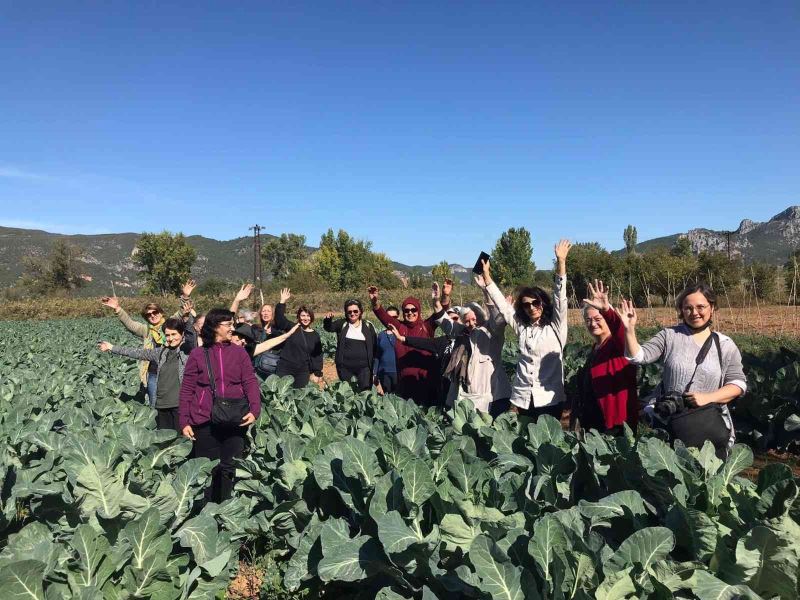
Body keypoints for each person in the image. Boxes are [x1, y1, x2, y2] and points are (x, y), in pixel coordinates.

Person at [617, 283, 746, 458]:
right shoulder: (669, 336)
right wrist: (629, 329)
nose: (694, 313)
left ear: (712, 308)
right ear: (681, 310)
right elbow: (639, 357)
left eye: (701, 307)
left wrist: (707, 397)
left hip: (708, 427)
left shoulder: (725, 345)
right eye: (688, 308)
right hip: (671, 423)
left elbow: (738, 384)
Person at [481, 240, 572, 420]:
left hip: (549, 398)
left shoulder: (555, 326)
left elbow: (560, 297)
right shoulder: (522, 327)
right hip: (523, 397)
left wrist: (561, 263)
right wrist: (487, 276)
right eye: (526, 305)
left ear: (543, 303)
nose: (531, 307)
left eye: (535, 303)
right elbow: (504, 307)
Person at [179, 309, 261, 503]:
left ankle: (226, 509)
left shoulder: (240, 353)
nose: (233, 328)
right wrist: (184, 420)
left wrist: (255, 409)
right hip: (204, 419)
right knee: (208, 470)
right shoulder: (198, 354)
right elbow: (187, 389)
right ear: (216, 327)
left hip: (234, 419)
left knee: (229, 469)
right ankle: (207, 511)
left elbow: (250, 381)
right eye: (229, 325)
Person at [100, 280, 195, 407]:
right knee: (155, 405)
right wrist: (118, 308)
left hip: (174, 371)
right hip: (154, 373)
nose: (152, 316)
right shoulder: (146, 330)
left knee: (179, 403)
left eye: (155, 312)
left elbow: (184, 311)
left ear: (161, 313)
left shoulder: (171, 324)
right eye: (148, 315)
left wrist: (185, 296)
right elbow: (130, 324)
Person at [98, 317, 194, 432]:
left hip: (180, 406)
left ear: (182, 334)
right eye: (167, 335)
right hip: (162, 405)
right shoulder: (161, 352)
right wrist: (112, 347)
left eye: (174, 334)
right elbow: (137, 353)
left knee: (183, 442)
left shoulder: (187, 351)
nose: (170, 338)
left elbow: (192, 336)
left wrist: (188, 319)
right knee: (166, 443)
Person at [572, 280, 638, 434]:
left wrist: (607, 310)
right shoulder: (595, 348)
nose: (592, 324)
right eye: (588, 320)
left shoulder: (618, 345)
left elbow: (620, 329)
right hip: (593, 417)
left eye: (597, 319)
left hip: (616, 421)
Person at [369, 284, 446, 406]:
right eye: (406, 310)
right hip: (404, 384)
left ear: (418, 311)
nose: (410, 313)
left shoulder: (427, 326)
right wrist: (375, 301)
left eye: (413, 310)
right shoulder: (400, 327)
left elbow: (441, 314)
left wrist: (444, 296)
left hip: (425, 383)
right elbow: (383, 316)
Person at [231, 283, 285, 377]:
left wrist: (282, 303)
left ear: (273, 314)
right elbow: (231, 321)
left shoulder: (278, 332)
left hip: (270, 372)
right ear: (260, 314)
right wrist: (237, 300)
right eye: (263, 311)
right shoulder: (254, 328)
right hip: (253, 370)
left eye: (268, 311)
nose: (266, 313)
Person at [273, 288, 324, 388]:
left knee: (299, 396)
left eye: (308, 316)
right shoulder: (292, 327)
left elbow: (317, 355)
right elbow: (279, 320)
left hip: (303, 371)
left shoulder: (315, 335)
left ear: (312, 317)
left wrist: (317, 372)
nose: (306, 318)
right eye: (303, 315)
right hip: (285, 367)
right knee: (282, 394)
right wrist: (282, 302)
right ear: (298, 317)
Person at [324, 299, 378, 391]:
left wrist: (374, 368)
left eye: (355, 311)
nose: (352, 314)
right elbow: (329, 328)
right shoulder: (342, 324)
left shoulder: (368, 326)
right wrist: (328, 320)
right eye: (349, 311)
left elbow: (375, 346)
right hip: (345, 368)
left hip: (364, 369)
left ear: (360, 311)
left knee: (364, 393)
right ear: (346, 312)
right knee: (347, 394)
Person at [373, 306, 400, 394]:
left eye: (394, 317)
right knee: (385, 399)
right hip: (383, 372)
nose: (391, 319)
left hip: (398, 372)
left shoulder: (402, 335)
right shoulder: (381, 335)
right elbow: (377, 356)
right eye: (388, 317)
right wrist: (375, 373)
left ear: (398, 317)